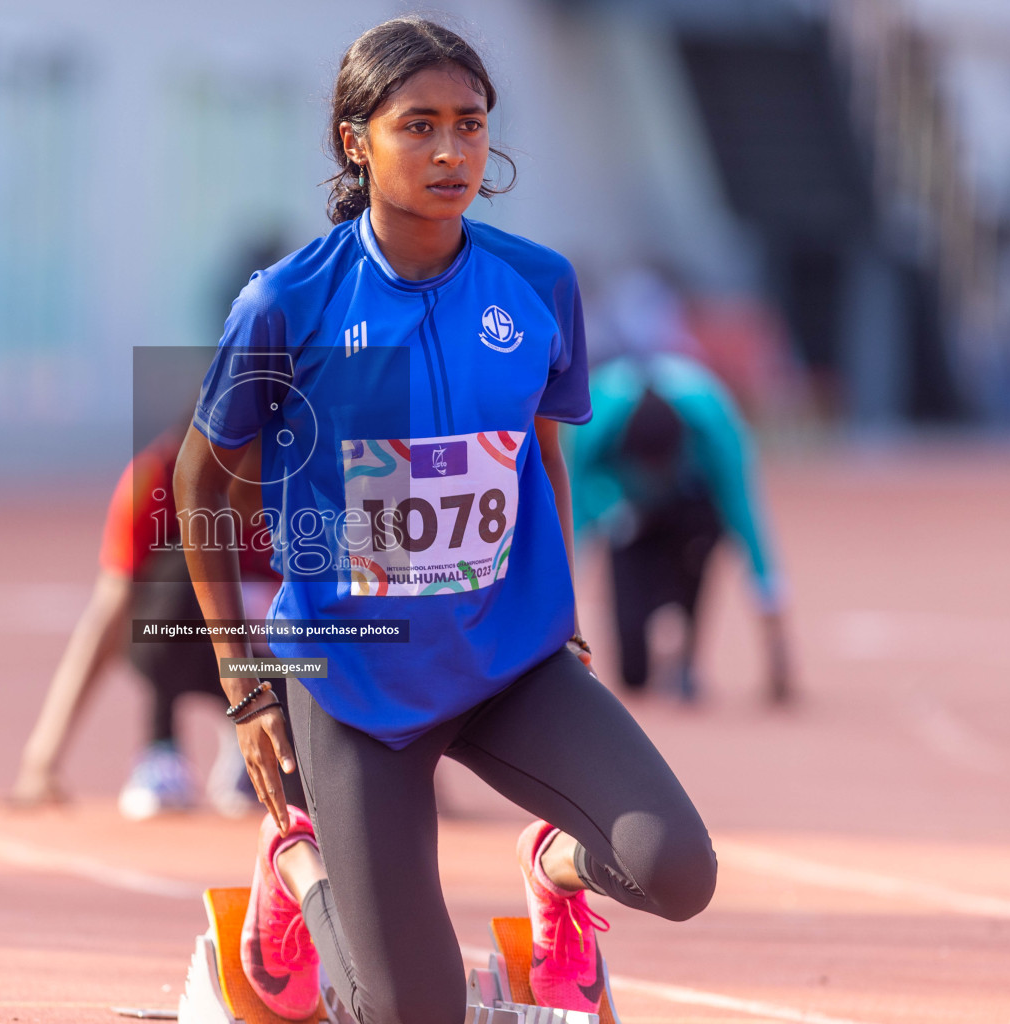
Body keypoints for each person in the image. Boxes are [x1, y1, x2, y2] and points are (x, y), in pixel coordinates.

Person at [174, 18, 716, 1024]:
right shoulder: (286, 304)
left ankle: (551, 872)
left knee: (677, 869)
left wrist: (566, 620)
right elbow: (198, 481)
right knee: (414, 1013)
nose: (450, 151)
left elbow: (541, 455)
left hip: (509, 664)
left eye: (469, 126)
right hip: (353, 679)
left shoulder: (540, 286)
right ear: (355, 141)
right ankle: (297, 870)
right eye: (417, 126)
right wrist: (245, 683)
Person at [10, 426, 303, 819]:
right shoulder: (152, 479)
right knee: (192, 568)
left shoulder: (298, 485)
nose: (254, 507)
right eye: (248, 488)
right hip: (164, 637)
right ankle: (160, 749)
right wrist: (41, 759)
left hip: (264, 650)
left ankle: (260, 742)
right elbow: (108, 612)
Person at [569, 341, 793, 704]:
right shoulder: (591, 427)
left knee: (703, 533)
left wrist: (776, 641)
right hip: (623, 507)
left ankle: (686, 642)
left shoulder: (715, 433)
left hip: (691, 504)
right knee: (634, 676)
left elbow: (746, 518)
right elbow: (572, 524)